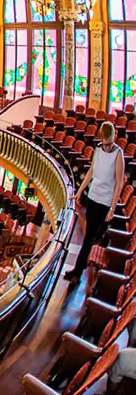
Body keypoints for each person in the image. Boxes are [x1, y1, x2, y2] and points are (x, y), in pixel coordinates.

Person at [64, 121, 125, 288]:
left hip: (105, 201)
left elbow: (119, 183)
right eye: (105, 142)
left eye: (109, 142)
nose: (107, 146)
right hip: (93, 197)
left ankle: (78, 272)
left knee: (90, 237)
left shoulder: (118, 154)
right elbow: (92, 171)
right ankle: (78, 270)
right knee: (88, 237)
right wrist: (79, 191)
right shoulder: (98, 149)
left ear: (113, 137)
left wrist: (112, 208)